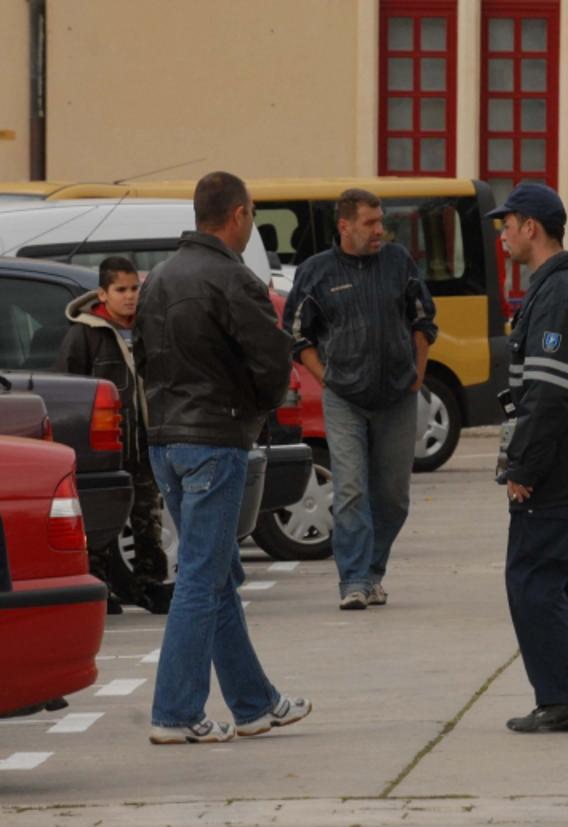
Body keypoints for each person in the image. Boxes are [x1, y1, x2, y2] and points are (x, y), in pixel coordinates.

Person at [136, 171, 311, 744]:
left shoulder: (159, 277)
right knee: (201, 578)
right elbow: (273, 362)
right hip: (215, 440)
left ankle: (255, 704)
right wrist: (256, 412)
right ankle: (176, 713)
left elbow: (144, 358)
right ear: (237, 214)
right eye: (252, 212)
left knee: (218, 575)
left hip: (167, 440)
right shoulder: (234, 279)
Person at [490, 182, 568, 734]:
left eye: (507, 226)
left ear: (532, 229)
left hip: (560, 464)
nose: (503, 237)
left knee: (533, 579)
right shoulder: (564, 286)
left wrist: (525, 468)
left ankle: (564, 698)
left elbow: (549, 398)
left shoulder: (560, 296)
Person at [283, 188, 437, 611]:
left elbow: (423, 318)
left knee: (392, 497)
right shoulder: (317, 272)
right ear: (345, 225)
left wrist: (418, 372)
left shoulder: (397, 262)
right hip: (345, 400)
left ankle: (373, 571)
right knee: (350, 490)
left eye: (380, 221)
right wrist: (328, 378)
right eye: (370, 223)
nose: (379, 230)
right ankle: (353, 580)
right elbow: (298, 336)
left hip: (396, 397)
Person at [56, 256, 170, 615]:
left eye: (135, 288)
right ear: (102, 294)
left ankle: (150, 585)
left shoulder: (148, 329)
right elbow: (71, 388)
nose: (130, 297)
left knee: (148, 519)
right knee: (103, 521)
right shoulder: (86, 334)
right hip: (107, 448)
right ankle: (99, 588)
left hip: (146, 444)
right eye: (121, 290)